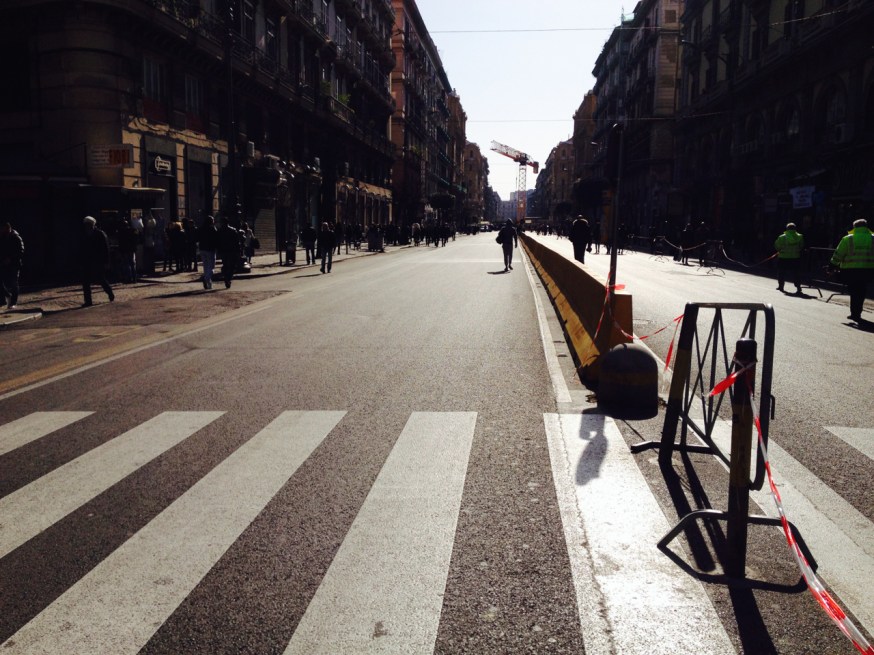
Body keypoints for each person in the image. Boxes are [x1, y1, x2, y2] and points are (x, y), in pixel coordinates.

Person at [829, 218, 874, 323]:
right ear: (866, 227)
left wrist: (832, 266)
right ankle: (858, 311)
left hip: (851, 270)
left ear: (854, 227)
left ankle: (855, 313)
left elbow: (839, 254)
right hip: (868, 269)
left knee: (853, 291)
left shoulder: (848, 239)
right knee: (862, 290)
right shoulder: (872, 238)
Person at [81, 216, 114, 306]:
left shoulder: (100, 234)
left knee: (101, 279)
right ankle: (88, 301)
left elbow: (105, 248)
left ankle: (109, 292)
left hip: (98, 261)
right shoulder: (84, 234)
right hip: (87, 261)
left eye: (88, 224)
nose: (87, 226)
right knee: (86, 282)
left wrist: (106, 261)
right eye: (86, 224)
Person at [774, 222, 804, 293]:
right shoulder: (800, 236)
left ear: (787, 228)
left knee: (781, 272)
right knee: (796, 273)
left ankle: (781, 286)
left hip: (783, 257)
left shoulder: (782, 237)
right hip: (795, 258)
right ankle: (798, 287)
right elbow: (801, 246)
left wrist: (779, 250)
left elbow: (777, 246)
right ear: (795, 228)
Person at [0, 221, 24, 309]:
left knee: (14, 283)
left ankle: (13, 302)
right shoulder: (2, 237)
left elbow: (21, 251)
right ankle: (5, 297)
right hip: (3, 263)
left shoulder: (16, 237)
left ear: (7, 228)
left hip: (14, 264)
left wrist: (10, 258)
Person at [197, 215, 219, 289]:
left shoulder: (200, 228)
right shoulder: (213, 228)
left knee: (206, 266)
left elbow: (197, 237)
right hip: (210, 249)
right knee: (211, 266)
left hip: (202, 248)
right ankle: (206, 278)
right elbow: (216, 238)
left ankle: (209, 283)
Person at [218, 218, 241, 288]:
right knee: (232, 265)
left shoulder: (220, 231)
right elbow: (237, 241)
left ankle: (226, 277)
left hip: (223, 250)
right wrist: (238, 250)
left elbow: (217, 241)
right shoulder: (233, 230)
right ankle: (228, 278)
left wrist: (219, 250)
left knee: (225, 264)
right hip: (232, 250)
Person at [117, 216, 139, 283]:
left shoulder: (121, 232)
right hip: (131, 249)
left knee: (126, 264)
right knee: (132, 264)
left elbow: (120, 241)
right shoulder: (133, 230)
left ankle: (128, 278)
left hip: (124, 250)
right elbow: (137, 238)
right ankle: (134, 278)